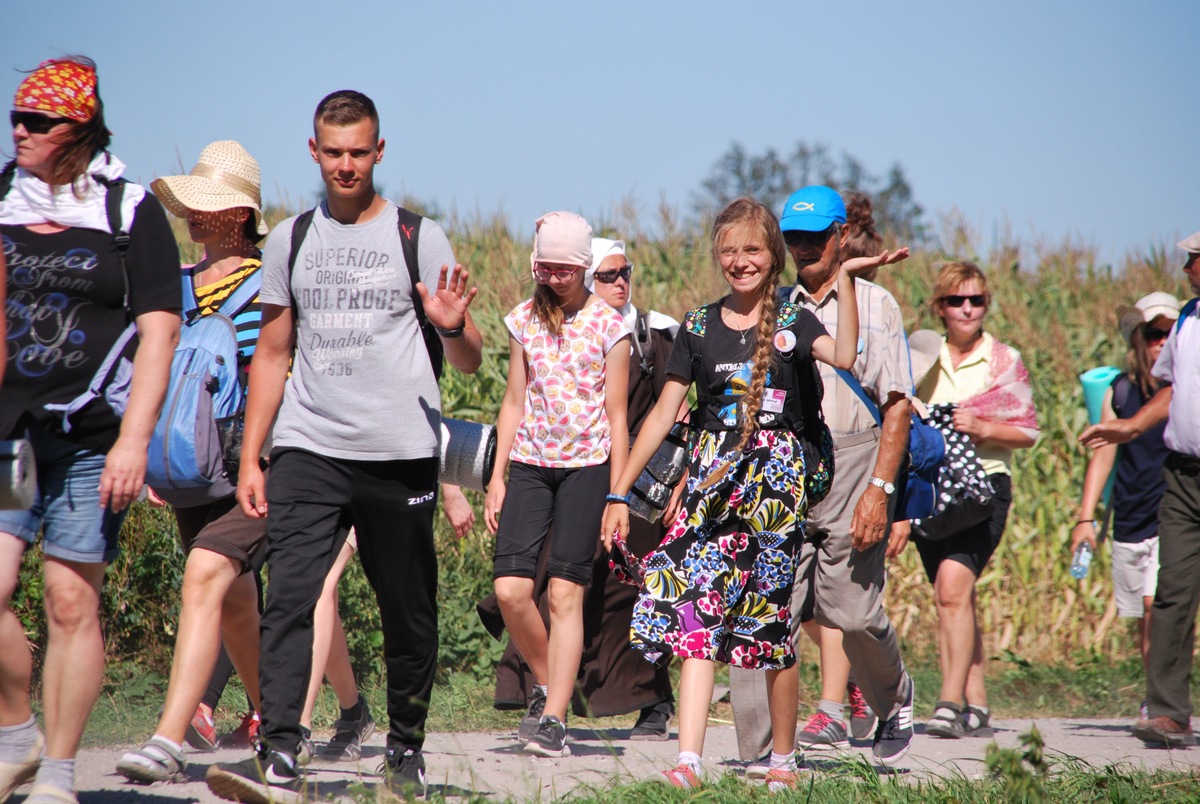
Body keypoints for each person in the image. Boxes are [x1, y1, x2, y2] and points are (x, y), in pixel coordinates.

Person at [205, 89, 482, 803]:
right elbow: (272, 354)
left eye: (359, 151)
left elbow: (470, 361)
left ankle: (406, 750)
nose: (347, 165)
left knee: (408, 609)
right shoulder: (290, 239)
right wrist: (252, 457)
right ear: (314, 151)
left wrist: (452, 324)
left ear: (379, 150)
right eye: (334, 152)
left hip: (399, 453)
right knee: (291, 597)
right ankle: (280, 750)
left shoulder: (420, 236)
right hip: (309, 446)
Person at [604, 196, 890, 790]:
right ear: (717, 255)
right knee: (696, 617)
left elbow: (845, 356)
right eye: (729, 250)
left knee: (768, 629)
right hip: (711, 488)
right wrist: (618, 494)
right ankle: (689, 761)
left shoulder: (794, 321)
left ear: (773, 254)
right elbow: (662, 415)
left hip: (774, 491)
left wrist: (847, 280)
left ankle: (782, 761)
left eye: (752, 249)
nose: (740, 261)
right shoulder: (698, 325)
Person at [0, 57, 181, 804]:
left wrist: (134, 440)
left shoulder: (128, 210)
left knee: (70, 602)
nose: (20, 131)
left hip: (92, 435)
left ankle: (60, 773)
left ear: (77, 129)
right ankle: (17, 735)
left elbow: (160, 330)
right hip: (9, 434)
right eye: (15, 118)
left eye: (37, 121)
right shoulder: (2, 199)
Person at [729, 186, 916, 768]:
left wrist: (879, 491)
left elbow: (897, 406)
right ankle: (762, 755)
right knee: (762, 609)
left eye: (816, 237)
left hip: (855, 460)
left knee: (852, 613)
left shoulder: (876, 304)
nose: (805, 248)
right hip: (783, 465)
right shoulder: (774, 304)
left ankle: (893, 699)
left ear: (841, 237)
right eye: (794, 238)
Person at [115, 140, 271, 783]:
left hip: (254, 462)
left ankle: (168, 737)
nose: (193, 216)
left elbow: (279, 373)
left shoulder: (270, 285)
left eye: (208, 206)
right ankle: (279, 728)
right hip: (189, 466)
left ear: (240, 215)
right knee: (234, 601)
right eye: (191, 204)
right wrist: (155, 449)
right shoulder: (175, 285)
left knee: (207, 573)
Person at [483, 238, 681, 738]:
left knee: (625, 598)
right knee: (546, 590)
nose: (619, 282)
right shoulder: (538, 321)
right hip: (558, 473)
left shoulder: (653, 331)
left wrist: (655, 487)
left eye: (625, 272)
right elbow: (516, 399)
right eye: (607, 275)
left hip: (634, 487)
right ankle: (548, 692)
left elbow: (678, 414)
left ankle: (651, 700)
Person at [484, 213, 631, 757]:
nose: (554, 277)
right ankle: (549, 683)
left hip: (587, 468)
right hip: (529, 463)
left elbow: (617, 417)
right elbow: (513, 401)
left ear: (584, 266)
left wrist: (617, 495)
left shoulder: (610, 326)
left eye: (565, 269)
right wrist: (496, 476)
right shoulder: (523, 319)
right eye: (545, 267)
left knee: (566, 593)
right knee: (510, 591)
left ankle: (553, 719)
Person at [891, 260, 1038, 740]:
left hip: (984, 490)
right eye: (957, 300)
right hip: (931, 489)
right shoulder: (920, 358)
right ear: (941, 306)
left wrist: (982, 427)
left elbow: (1027, 432)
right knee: (954, 598)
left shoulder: (1003, 360)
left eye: (977, 300)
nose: (968, 308)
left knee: (951, 589)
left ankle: (948, 703)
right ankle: (978, 704)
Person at [1081, 230, 1200, 748]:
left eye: (1194, 259)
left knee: (1161, 596)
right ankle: (1168, 710)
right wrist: (1128, 428)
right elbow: (1173, 390)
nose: (1187, 268)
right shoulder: (1189, 322)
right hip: (1179, 480)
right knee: (1169, 595)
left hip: (1177, 481)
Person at [1072, 292, 1178, 696]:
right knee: (1143, 616)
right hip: (1130, 517)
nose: (1161, 343)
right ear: (1138, 339)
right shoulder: (1119, 391)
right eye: (1153, 334)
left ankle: (1163, 702)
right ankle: (1156, 696)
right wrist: (1085, 519)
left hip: (1172, 514)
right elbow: (1102, 458)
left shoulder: (1187, 390)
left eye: (1170, 334)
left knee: (1157, 607)